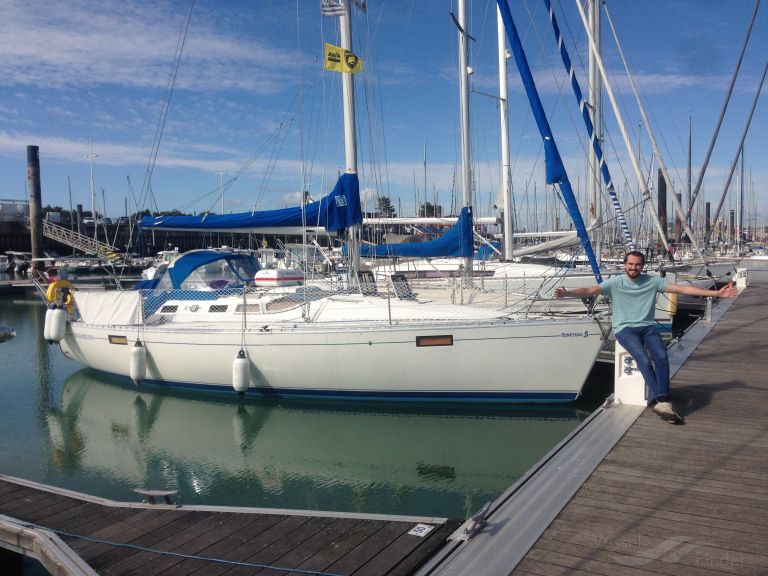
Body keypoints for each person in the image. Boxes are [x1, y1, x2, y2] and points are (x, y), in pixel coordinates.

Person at [554, 250, 738, 424]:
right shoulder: (615, 282)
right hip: (625, 329)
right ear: (625, 265)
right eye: (630, 264)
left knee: (662, 357)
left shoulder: (652, 281)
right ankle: (662, 401)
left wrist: (716, 293)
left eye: (637, 265)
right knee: (643, 358)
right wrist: (567, 293)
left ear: (643, 266)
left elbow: (684, 290)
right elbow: (590, 290)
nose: (634, 267)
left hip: (647, 327)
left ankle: (663, 401)